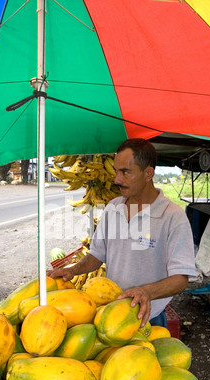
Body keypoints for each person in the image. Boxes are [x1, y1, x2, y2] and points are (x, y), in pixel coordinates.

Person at [47, 138, 196, 327]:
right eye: (117, 171)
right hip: (113, 310)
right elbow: (97, 254)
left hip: (149, 317)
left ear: (148, 173)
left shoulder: (173, 216)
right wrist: (72, 270)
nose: (117, 179)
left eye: (126, 172)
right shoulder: (113, 207)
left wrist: (146, 292)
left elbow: (180, 279)